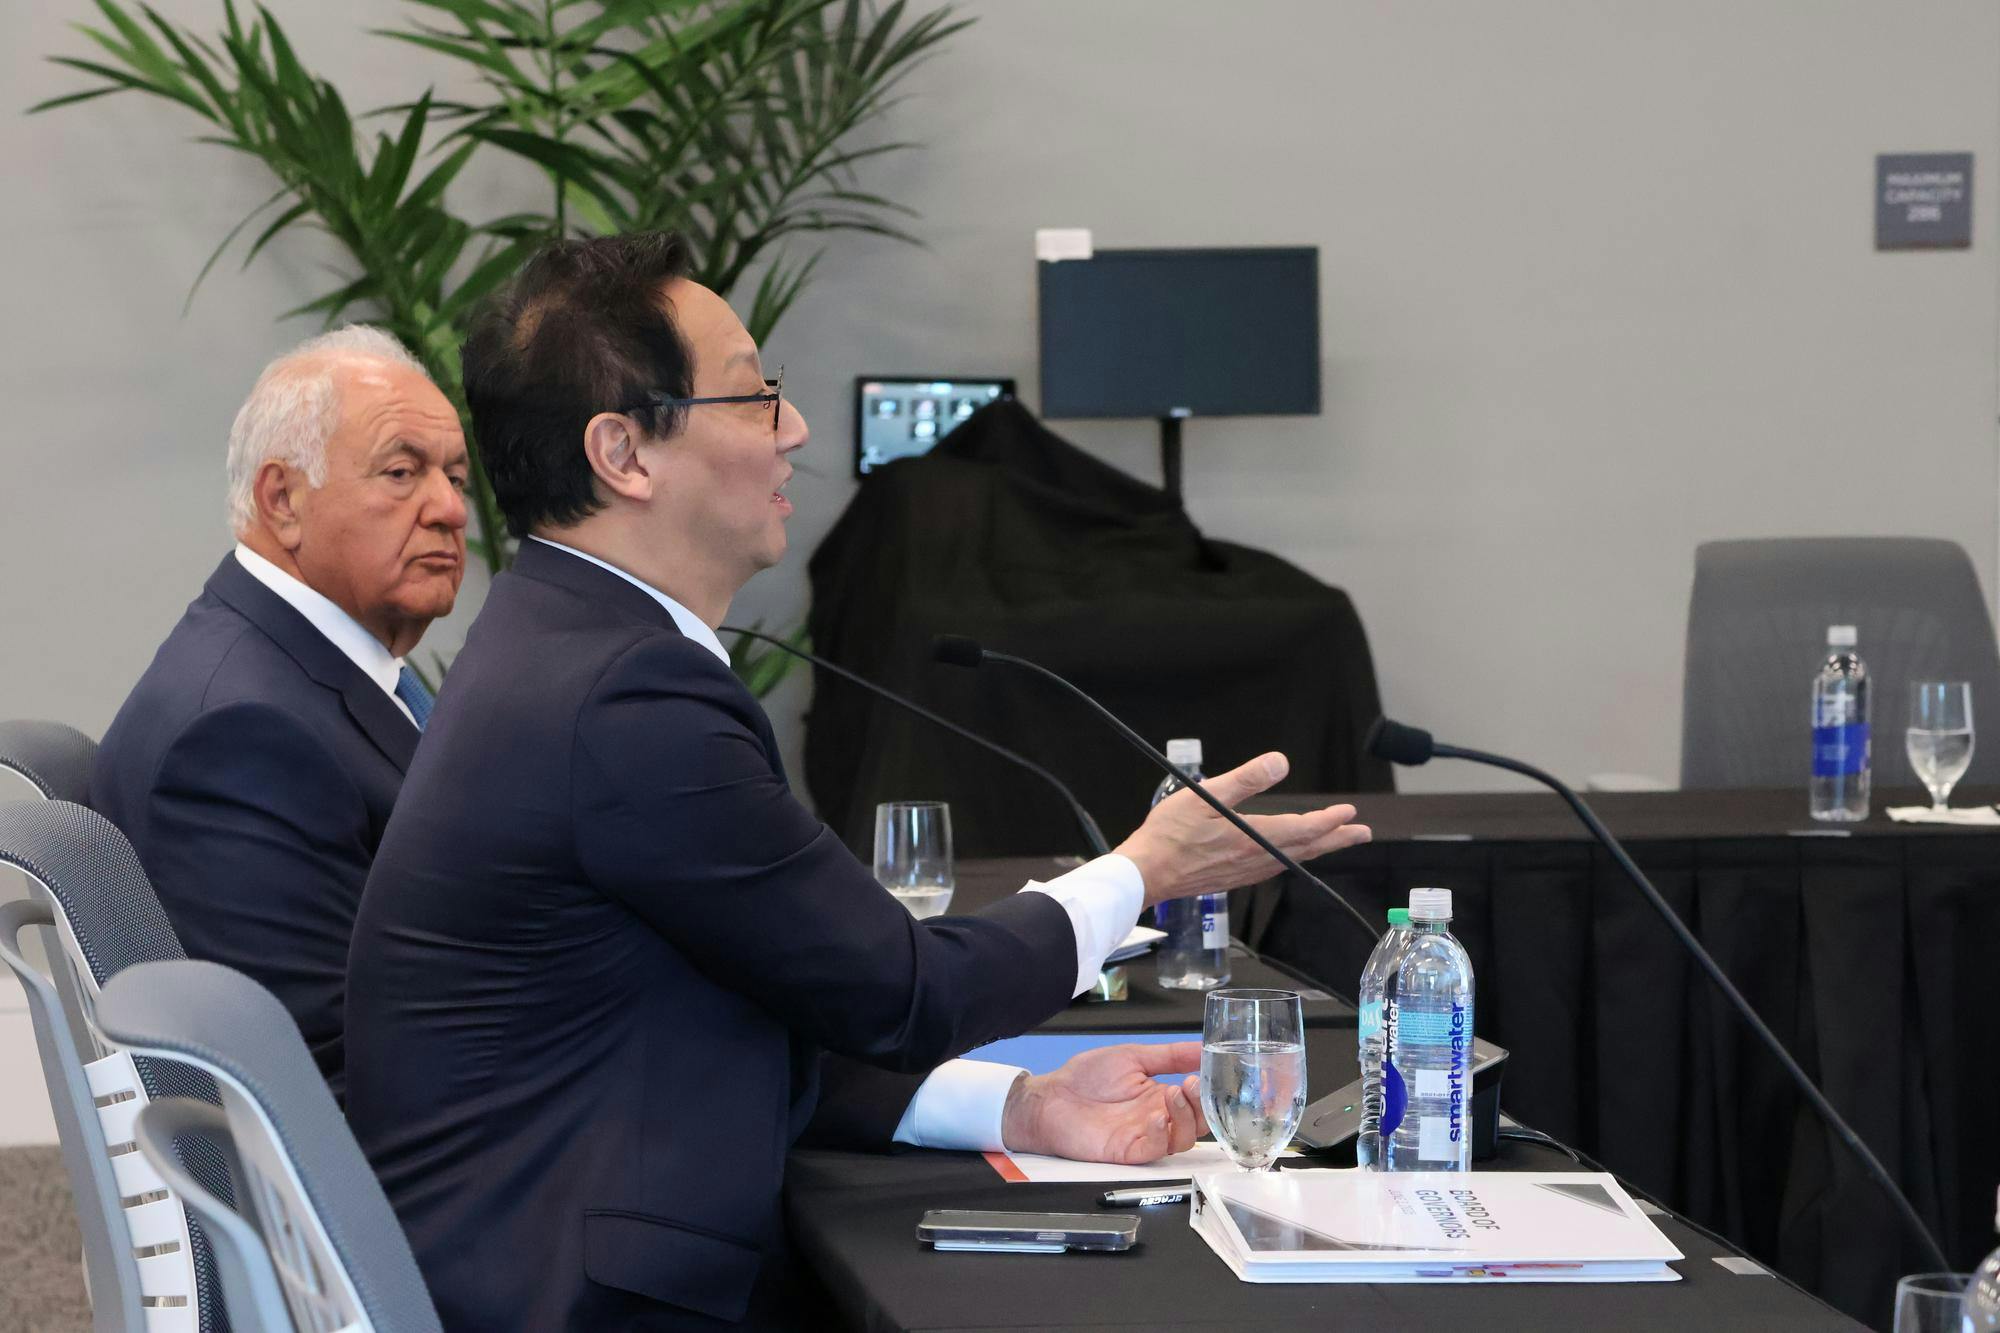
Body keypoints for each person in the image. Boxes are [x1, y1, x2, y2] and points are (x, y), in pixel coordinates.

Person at [343, 232, 1372, 1330]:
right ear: (623, 452)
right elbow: (900, 990)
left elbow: (747, 1015)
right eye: (754, 395)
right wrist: (1142, 871)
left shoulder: (562, 641)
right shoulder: (622, 695)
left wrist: (1022, 1104)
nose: (792, 427)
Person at [93, 326, 467, 1096]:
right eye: (402, 472)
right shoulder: (242, 740)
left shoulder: (300, 668)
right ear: (283, 500)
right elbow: (320, 1090)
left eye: (456, 477)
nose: (450, 509)